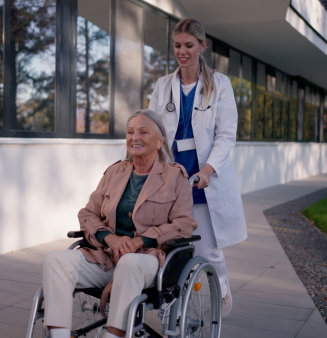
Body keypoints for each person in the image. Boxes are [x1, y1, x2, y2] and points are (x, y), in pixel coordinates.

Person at [41, 109, 197, 338]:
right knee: (55, 260)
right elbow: (87, 213)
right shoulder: (115, 172)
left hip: (148, 261)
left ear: (160, 141)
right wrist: (109, 238)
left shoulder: (175, 176)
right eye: (130, 132)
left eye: (143, 132)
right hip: (106, 256)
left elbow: (184, 224)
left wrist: (139, 241)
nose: (135, 138)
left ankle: (113, 335)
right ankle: (60, 336)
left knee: (131, 263)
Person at [148, 18, 247, 317]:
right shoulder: (163, 85)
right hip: (171, 176)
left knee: (208, 249)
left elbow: (226, 135)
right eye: (177, 45)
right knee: (171, 247)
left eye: (189, 45)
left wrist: (207, 170)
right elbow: (152, 129)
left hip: (204, 177)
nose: (182, 51)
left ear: (202, 46)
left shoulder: (219, 84)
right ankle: (173, 309)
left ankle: (222, 291)